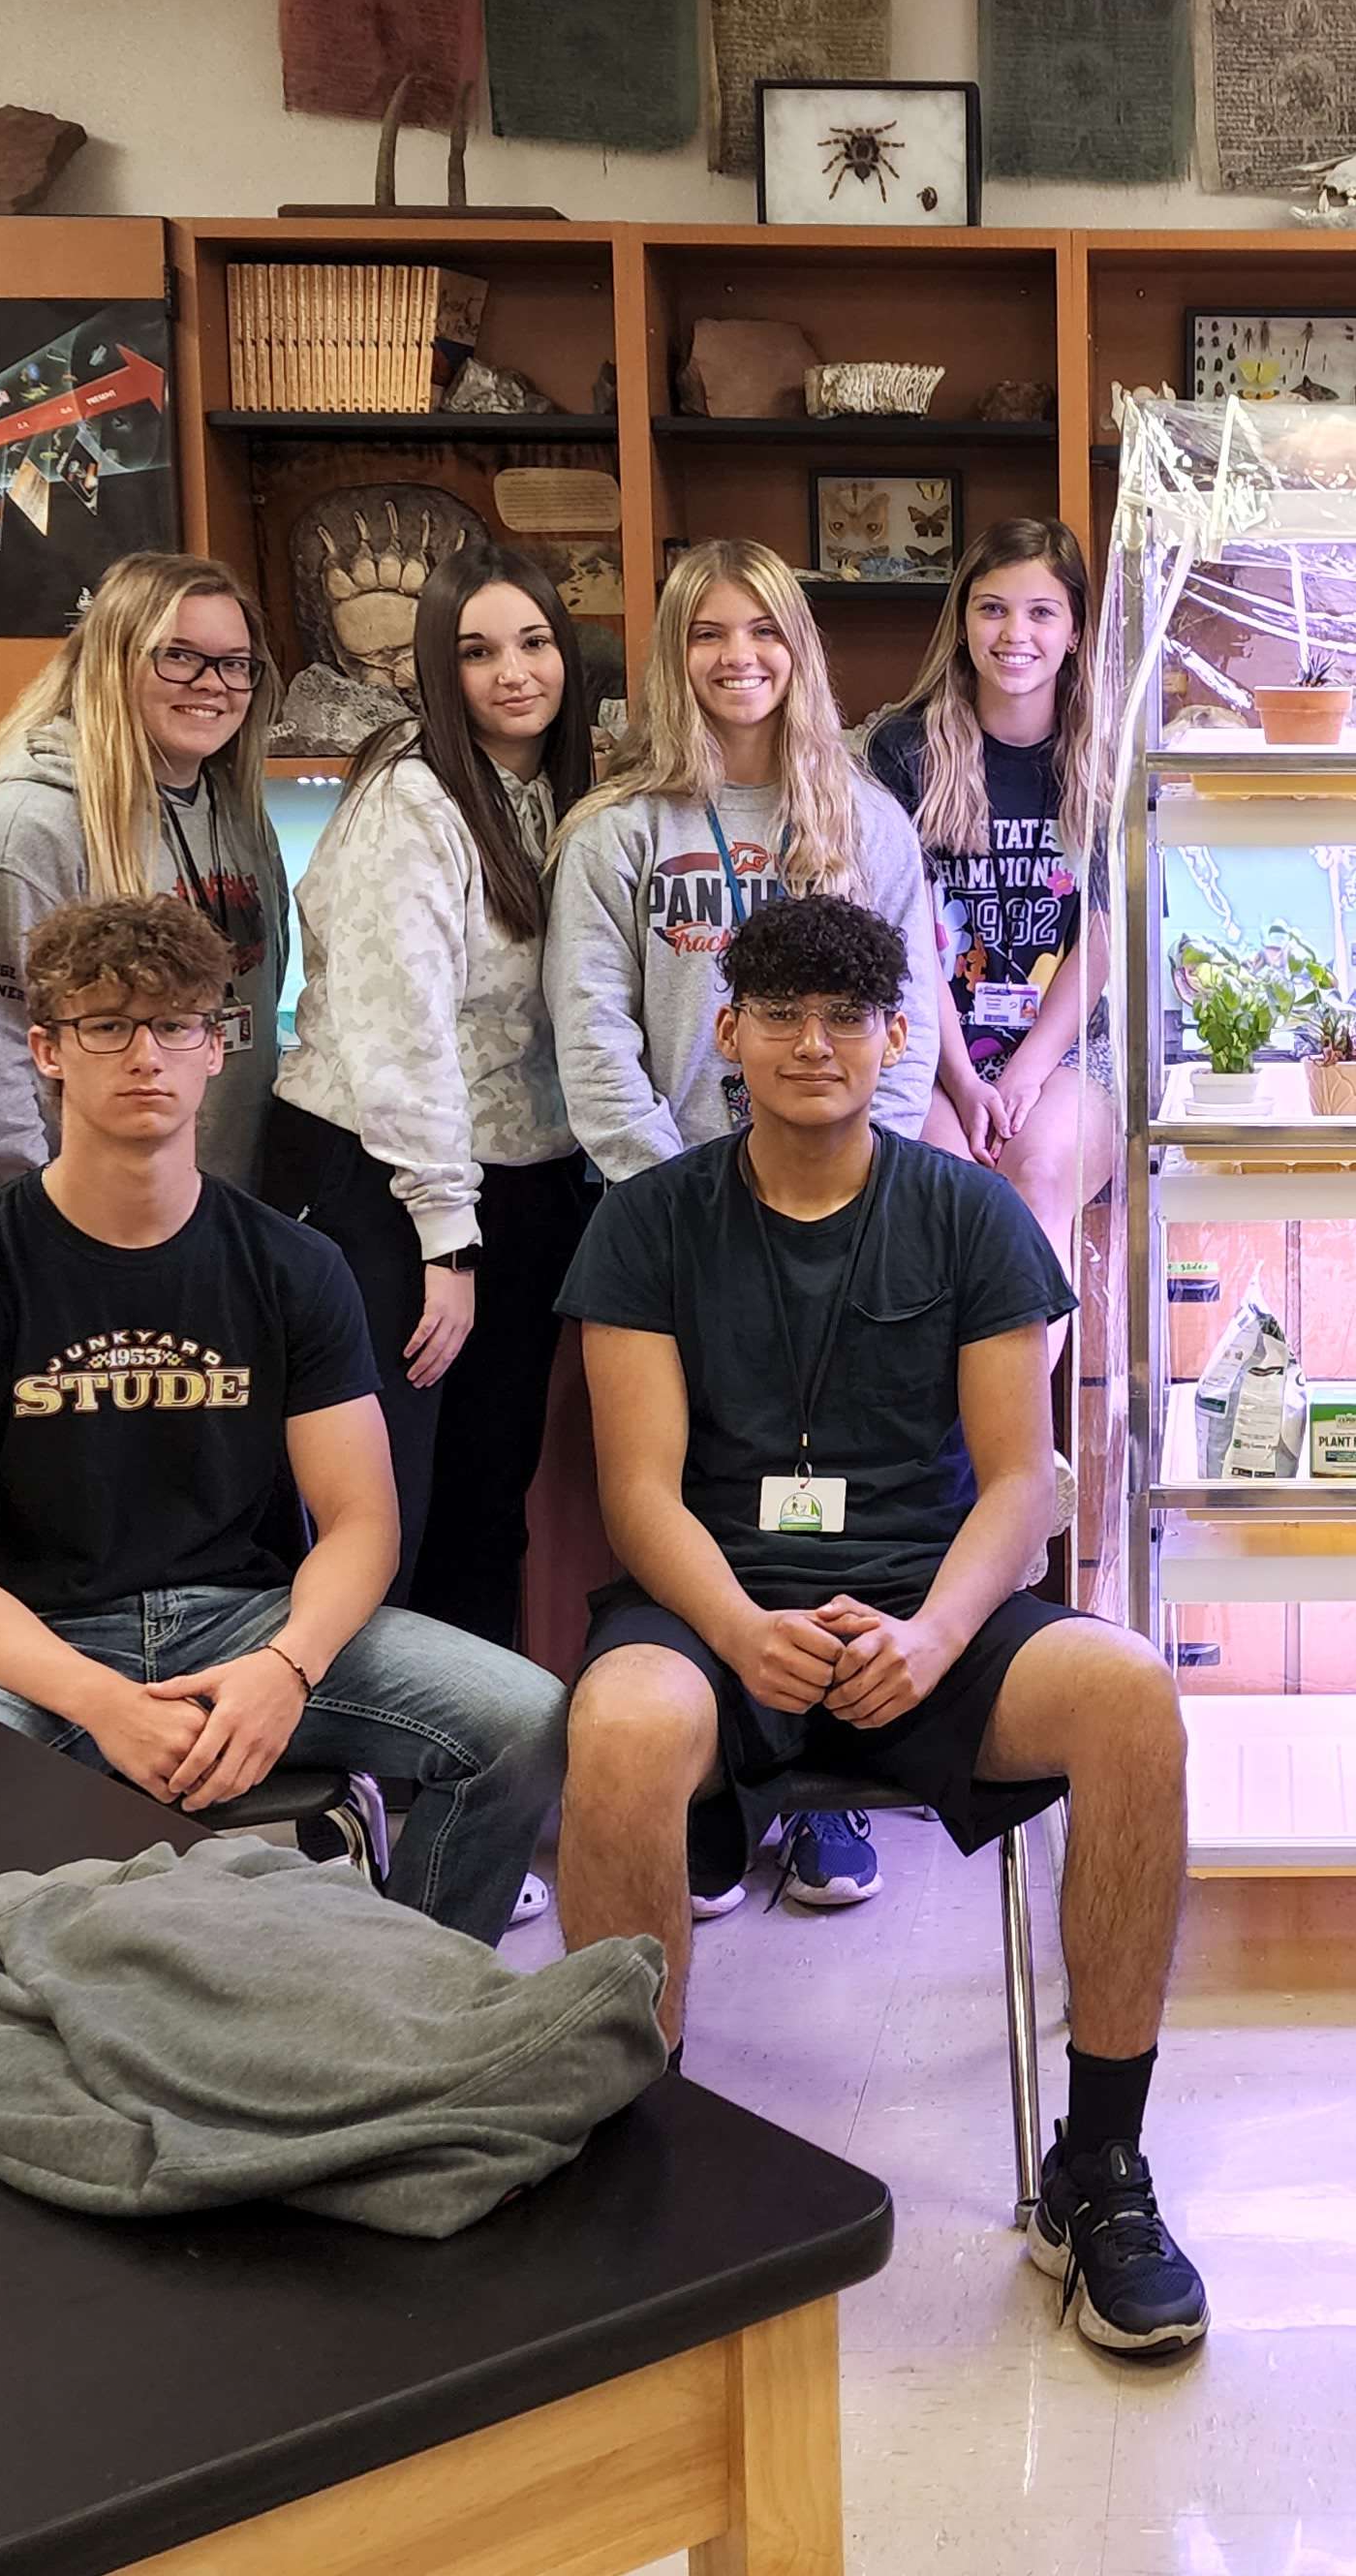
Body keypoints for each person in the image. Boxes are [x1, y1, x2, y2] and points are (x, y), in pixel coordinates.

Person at [550, 896, 1206, 2358]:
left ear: (897, 1037)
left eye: (845, 1016)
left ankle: (1100, 2168)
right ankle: (634, 2154)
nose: (813, 1044)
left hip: (932, 1600)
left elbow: (1023, 1483)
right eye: (780, 1014)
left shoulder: (970, 1214)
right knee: (623, 1723)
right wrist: (738, 1629)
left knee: (1130, 1697)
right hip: (710, 1600)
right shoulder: (647, 1222)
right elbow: (637, 1493)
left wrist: (934, 1633)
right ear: (729, 1033)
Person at [0, 895, 567, 1944]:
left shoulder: (293, 1265)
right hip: (38, 1646)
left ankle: (422, 1984)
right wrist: (99, 1700)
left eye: (175, 1025)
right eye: (107, 1026)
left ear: (217, 1045)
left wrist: (289, 1667)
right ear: (48, 1050)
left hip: (245, 1624)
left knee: (522, 1720)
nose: (146, 1056)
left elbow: (362, 1520)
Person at [547, 538, 954, 1911]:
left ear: (799, 651)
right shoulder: (616, 829)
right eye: (710, 634)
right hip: (674, 1221)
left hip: (842, 1213)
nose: (739, 659)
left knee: (847, 1491)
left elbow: (910, 1016)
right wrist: (679, 1200)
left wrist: (861, 1177)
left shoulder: (863, 820)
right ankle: (714, 1781)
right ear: (675, 654)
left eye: (765, 632)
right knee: (697, 1491)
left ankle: (831, 1784)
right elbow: (592, 1030)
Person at [268, 542, 597, 1649]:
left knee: (485, 1502)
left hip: (523, 1182)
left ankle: (466, 1745)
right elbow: (398, 1031)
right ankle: (343, 1751)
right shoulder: (410, 797)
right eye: (476, 651)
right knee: (378, 1517)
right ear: (434, 670)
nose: (513, 673)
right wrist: (446, 1242)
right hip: (385, 1183)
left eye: (534, 642)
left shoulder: (558, 795)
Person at [0, 551, 288, 1199]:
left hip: (215, 1207)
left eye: (235, 663)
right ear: (111, 660)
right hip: (81, 1223)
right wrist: (21, 1227)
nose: (212, 684)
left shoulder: (239, 816)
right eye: (179, 656)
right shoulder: (24, 832)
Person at [865, 518, 1118, 1287]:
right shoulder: (903, 751)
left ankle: (1021, 1376)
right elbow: (902, 934)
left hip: (1066, 1050)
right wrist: (963, 1078)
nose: (1015, 634)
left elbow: (1102, 940)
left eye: (1041, 612)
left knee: (1036, 1177)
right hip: (929, 1042)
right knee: (946, 1195)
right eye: (992, 608)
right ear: (963, 621)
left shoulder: (1104, 757)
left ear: (1075, 631)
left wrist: (1024, 1075)